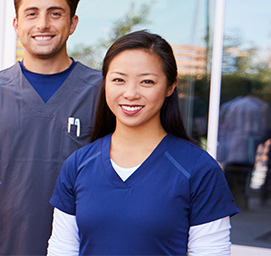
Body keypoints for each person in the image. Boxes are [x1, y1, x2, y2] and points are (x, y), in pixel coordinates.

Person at [47, 30, 239, 255]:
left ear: (170, 86)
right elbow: (62, 250)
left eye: (147, 81)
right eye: (119, 79)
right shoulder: (78, 164)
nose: (130, 93)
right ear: (105, 83)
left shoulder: (198, 169)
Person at [0, 0, 100, 255]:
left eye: (54, 13)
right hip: (1, 248)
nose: (43, 24)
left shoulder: (102, 92)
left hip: (82, 248)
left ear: (72, 23)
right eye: (32, 13)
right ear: (16, 24)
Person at [217, 87, 271, 211]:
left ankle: (230, 203)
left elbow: (222, 127)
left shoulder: (230, 106)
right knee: (243, 177)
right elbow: (262, 130)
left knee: (231, 176)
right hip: (246, 150)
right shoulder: (257, 107)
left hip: (231, 149)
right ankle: (241, 203)